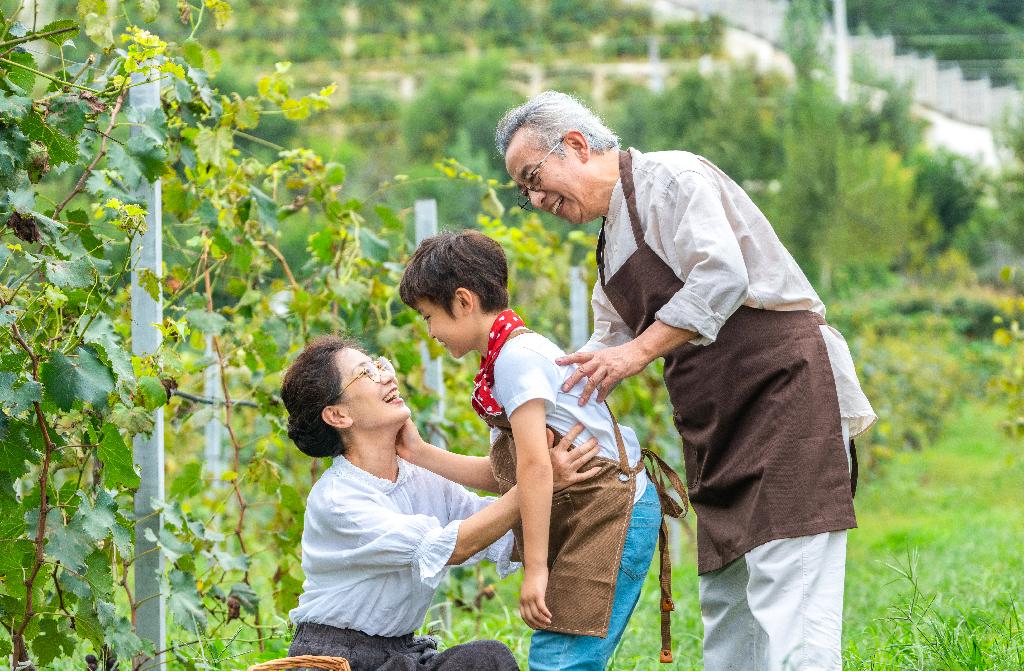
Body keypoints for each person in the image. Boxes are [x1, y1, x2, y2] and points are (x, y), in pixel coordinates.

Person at [494, 91, 877, 671]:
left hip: (778, 392)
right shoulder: (610, 243)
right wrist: (539, 394)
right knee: (729, 604)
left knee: (789, 590)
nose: (535, 198)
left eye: (533, 178)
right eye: (524, 193)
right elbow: (607, 345)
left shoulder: (669, 179)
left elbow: (722, 275)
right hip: (717, 425)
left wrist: (638, 353)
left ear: (575, 145)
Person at [398, 230, 678, 671]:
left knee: (562, 659)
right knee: (561, 655)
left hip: (611, 513)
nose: (430, 331)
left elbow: (534, 468)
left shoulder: (515, 359)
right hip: (595, 511)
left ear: (464, 301)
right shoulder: (504, 358)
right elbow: (507, 474)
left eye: (429, 315)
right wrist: (417, 452)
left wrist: (535, 569)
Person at [280, 334, 599, 671]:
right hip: (334, 659)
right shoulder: (337, 500)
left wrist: (588, 511)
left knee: (487, 660)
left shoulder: (419, 478)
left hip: (399, 654)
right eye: (366, 374)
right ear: (338, 415)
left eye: (378, 365)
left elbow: (500, 531)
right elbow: (455, 545)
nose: (386, 376)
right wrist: (539, 477)